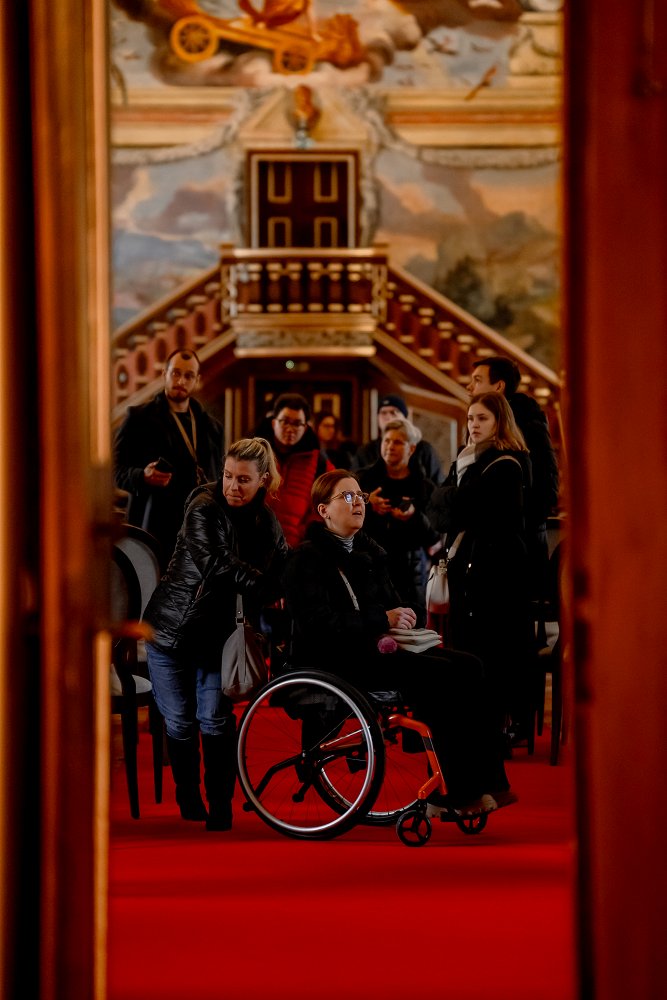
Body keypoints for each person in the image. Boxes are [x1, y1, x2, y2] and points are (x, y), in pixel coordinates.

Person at [282, 469, 517, 818]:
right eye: (347, 497)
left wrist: (407, 615)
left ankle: (489, 782)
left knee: (471, 665)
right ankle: (451, 793)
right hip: (335, 658)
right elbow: (319, 625)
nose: (358, 503)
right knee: (439, 675)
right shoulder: (306, 558)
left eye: (361, 496)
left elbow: (393, 604)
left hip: (376, 648)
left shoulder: (368, 552)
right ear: (323, 511)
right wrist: (383, 619)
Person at [142, 438, 288, 831]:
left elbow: (284, 561)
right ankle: (188, 795)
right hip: (172, 631)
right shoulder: (203, 507)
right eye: (227, 476)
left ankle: (221, 804)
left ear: (263, 480)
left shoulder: (266, 520)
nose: (232, 486)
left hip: (218, 636)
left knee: (215, 719)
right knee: (180, 722)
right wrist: (269, 589)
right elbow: (218, 564)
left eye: (243, 479)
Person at [427, 392, 535, 745]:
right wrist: (450, 501)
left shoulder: (508, 463)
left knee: (496, 647)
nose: (473, 425)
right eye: (471, 418)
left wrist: (448, 500)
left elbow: (474, 512)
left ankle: (499, 724)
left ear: (499, 421)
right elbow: (437, 511)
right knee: (466, 643)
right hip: (466, 564)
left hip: (498, 568)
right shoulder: (464, 458)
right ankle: (476, 722)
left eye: (482, 418)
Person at [114, 349, 224, 562]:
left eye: (189, 376)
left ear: (197, 380)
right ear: (164, 374)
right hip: (154, 528)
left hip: (198, 530)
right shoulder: (138, 418)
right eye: (176, 373)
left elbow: (219, 477)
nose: (181, 381)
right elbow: (116, 471)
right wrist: (141, 476)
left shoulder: (212, 427)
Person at [467, 356, 559, 605]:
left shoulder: (526, 425)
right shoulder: (481, 429)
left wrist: (516, 525)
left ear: (499, 386)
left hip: (517, 544)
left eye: (477, 380)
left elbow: (546, 484)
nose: (469, 387)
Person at [356, 417, 440, 609]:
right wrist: (366, 502)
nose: (390, 446)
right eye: (386, 441)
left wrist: (414, 516)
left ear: (411, 448)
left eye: (398, 442)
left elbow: (435, 537)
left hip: (410, 573)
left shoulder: (424, 486)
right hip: (370, 568)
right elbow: (344, 516)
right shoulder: (363, 479)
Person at [263, 392, 333, 547]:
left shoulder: (319, 462)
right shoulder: (256, 454)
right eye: (285, 422)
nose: (290, 429)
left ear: (305, 427)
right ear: (274, 423)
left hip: (297, 548)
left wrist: (305, 534)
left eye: (297, 424)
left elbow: (329, 502)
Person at [350, 393, 445, 485]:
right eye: (383, 413)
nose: (388, 417)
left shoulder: (424, 449)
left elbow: (438, 483)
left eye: (393, 412)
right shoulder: (366, 450)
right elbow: (352, 484)